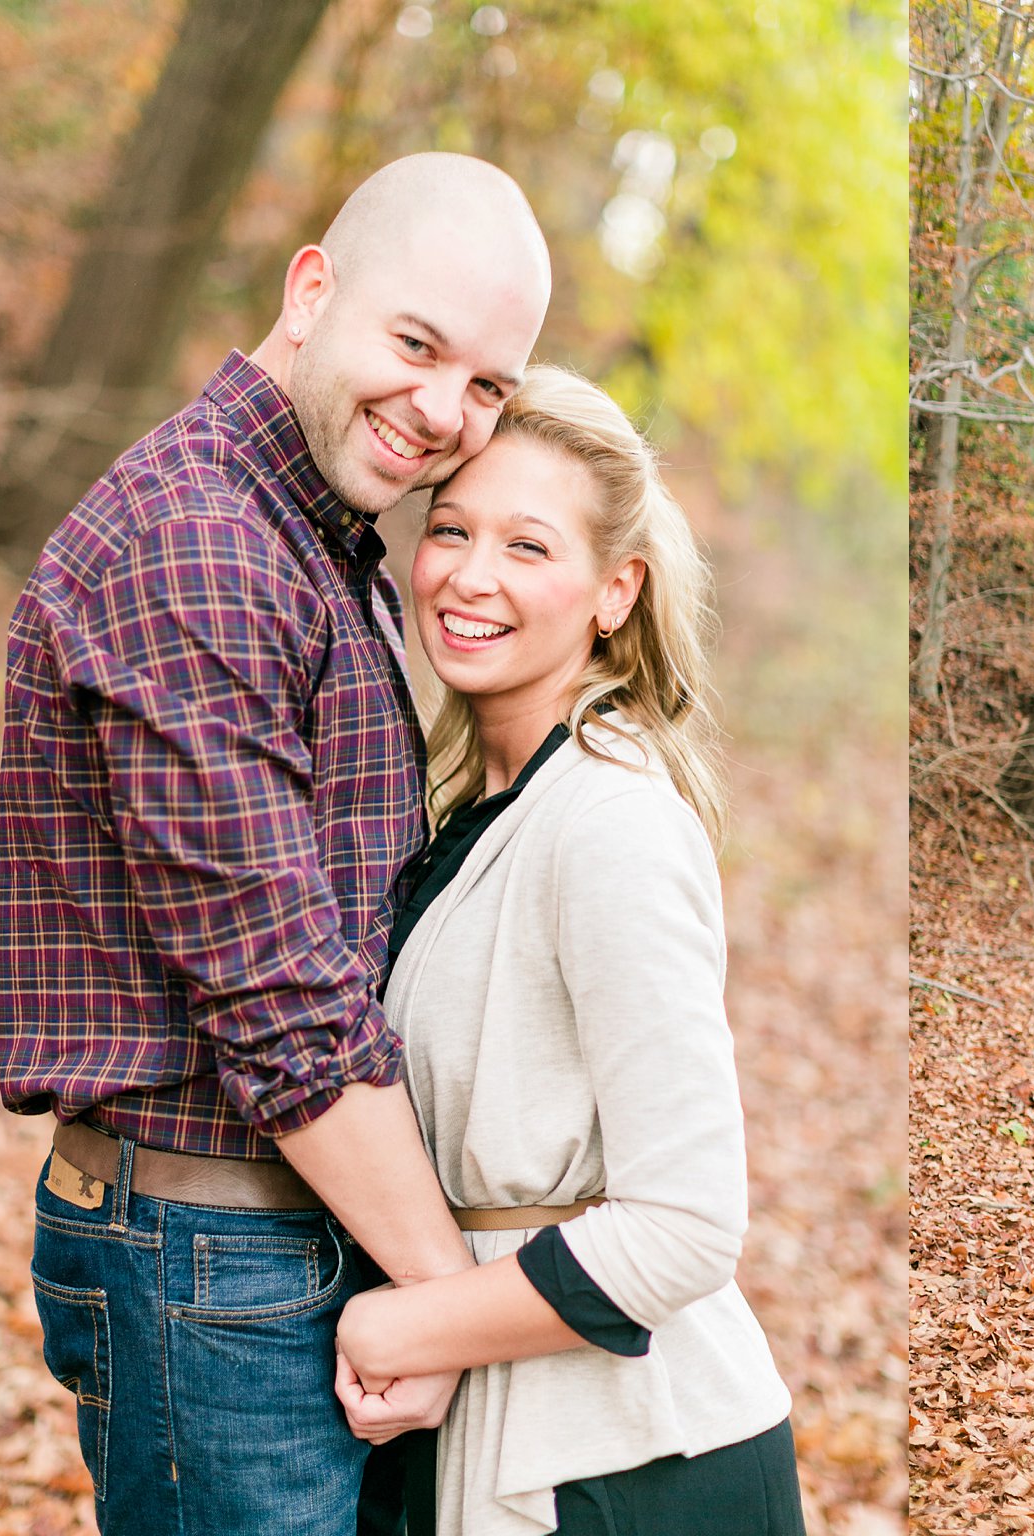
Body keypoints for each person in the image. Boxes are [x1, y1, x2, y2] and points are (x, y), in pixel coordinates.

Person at [0, 154, 551, 1533]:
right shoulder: (204, 547)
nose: (443, 413)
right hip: (212, 1260)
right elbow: (281, 999)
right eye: (417, 345)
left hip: (275, 1232)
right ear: (314, 291)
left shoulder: (312, 534)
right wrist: (446, 1300)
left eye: (487, 385)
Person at [328, 366, 803, 1535]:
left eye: (526, 547)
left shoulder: (610, 819)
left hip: (629, 1471)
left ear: (613, 590)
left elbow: (686, 1224)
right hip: (513, 1437)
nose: (469, 577)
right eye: (450, 530)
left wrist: (408, 1324)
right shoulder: (475, 805)